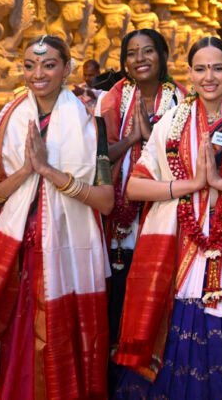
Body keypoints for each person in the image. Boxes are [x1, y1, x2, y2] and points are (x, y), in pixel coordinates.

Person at [115, 36, 222, 399]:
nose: (209, 77)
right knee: (178, 337)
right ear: (189, 73)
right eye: (200, 69)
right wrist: (192, 185)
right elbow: (135, 187)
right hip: (182, 249)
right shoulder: (171, 123)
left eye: (217, 68)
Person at [0, 35, 114, 399]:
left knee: (67, 341)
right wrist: (26, 171)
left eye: (48, 64)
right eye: (30, 65)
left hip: (70, 253)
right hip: (19, 255)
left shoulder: (93, 124)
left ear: (67, 68)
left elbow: (105, 202)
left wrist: (48, 170)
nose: (38, 74)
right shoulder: (6, 123)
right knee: (22, 344)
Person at [94, 29, 184, 388]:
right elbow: (98, 159)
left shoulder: (180, 102)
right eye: (132, 53)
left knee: (154, 296)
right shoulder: (110, 100)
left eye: (148, 51)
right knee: (114, 296)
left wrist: (153, 141)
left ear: (162, 56)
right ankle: (114, 380)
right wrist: (134, 138)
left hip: (160, 215)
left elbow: (183, 163)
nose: (140, 58)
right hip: (113, 215)